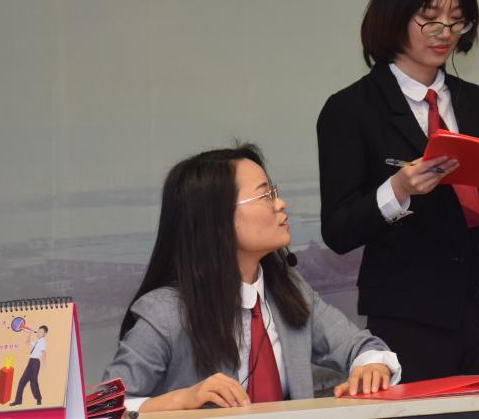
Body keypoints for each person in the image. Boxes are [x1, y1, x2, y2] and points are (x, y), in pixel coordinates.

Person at [318, 0, 479, 383]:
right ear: (393, 14)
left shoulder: (474, 101)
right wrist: (398, 190)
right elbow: (338, 230)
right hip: (409, 313)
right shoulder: (350, 109)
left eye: (457, 19)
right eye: (430, 18)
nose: (446, 32)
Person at [103, 144, 400, 412]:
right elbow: (102, 408)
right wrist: (180, 401)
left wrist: (371, 367)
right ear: (217, 217)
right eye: (265, 195)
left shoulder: (290, 290)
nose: (280, 204)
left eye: (275, 192)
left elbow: (362, 347)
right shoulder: (165, 313)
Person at [10, 326, 47, 406]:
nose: (39, 333)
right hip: (31, 362)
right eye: (38, 331)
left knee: (33, 381)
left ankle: (38, 399)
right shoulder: (37, 341)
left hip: (35, 362)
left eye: (41, 332)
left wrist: (44, 365)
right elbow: (27, 342)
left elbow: (44, 352)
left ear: (44, 334)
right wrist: (29, 333)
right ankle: (18, 400)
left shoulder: (42, 342)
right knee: (22, 381)